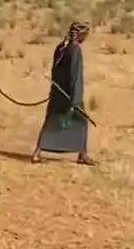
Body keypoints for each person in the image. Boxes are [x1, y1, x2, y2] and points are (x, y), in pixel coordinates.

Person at [31, 21, 95, 165]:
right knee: (81, 121)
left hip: (58, 92)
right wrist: (75, 100)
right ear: (81, 35)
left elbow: (56, 70)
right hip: (69, 94)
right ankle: (82, 154)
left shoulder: (62, 47)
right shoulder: (75, 50)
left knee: (52, 121)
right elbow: (75, 76)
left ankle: (38, 152)